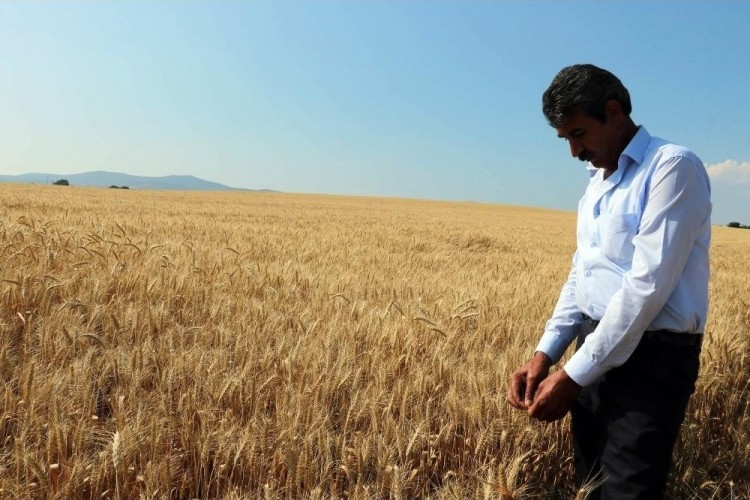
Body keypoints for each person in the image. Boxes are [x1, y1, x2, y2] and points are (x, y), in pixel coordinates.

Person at [507, 64, 711, 499]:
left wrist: (573, 377)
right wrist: (547, 354)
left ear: (614, 111)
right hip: (594, 351)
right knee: (590, 484)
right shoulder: (596, 185)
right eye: (566, 139)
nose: (574, 151)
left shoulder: (671, 167)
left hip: (653, 360)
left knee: (628, 490)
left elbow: (646, 288)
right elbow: (582, 274)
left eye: (578, 134)